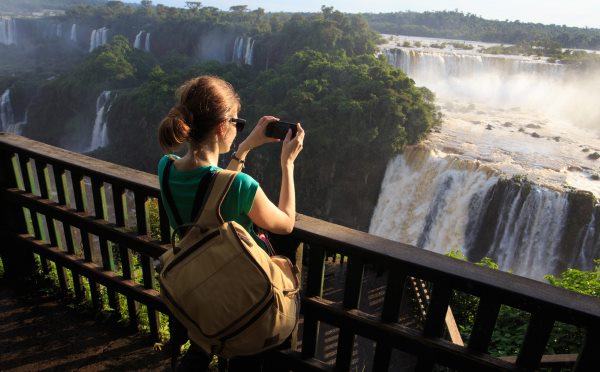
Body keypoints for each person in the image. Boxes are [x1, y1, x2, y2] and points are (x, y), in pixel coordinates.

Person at [157, 75, 305, 371]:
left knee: (202, 345)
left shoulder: (166, 167)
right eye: (237, 123)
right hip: (239, 299)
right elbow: (285, 223)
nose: (239, 130)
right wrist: (287, 164)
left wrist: (245, 148)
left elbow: (213, 188)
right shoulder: (241, 186)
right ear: (222, 127)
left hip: (199, 289)